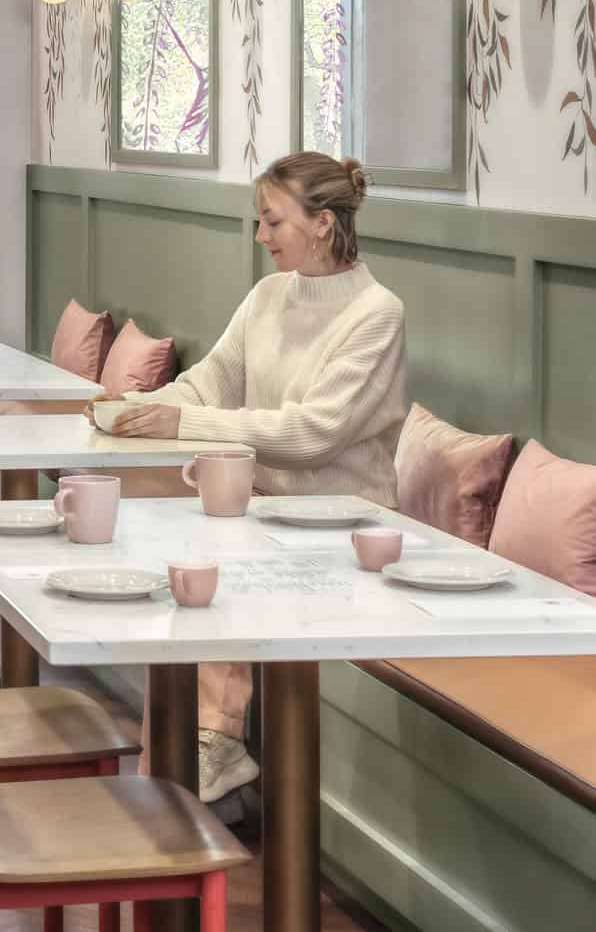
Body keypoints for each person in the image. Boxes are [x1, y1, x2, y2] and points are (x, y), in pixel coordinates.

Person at [97, 151, 406, 804]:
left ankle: (209, 742)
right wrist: (124, 412)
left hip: (341, 527)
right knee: (147, 516)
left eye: (272, 222)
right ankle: (193, 751)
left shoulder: (377, 314)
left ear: (322, 223)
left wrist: (179, 427)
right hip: (262, 507)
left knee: (205, 558)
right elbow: (209, 383)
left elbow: (309, 434)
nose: (260, 236)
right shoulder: (268, 295)